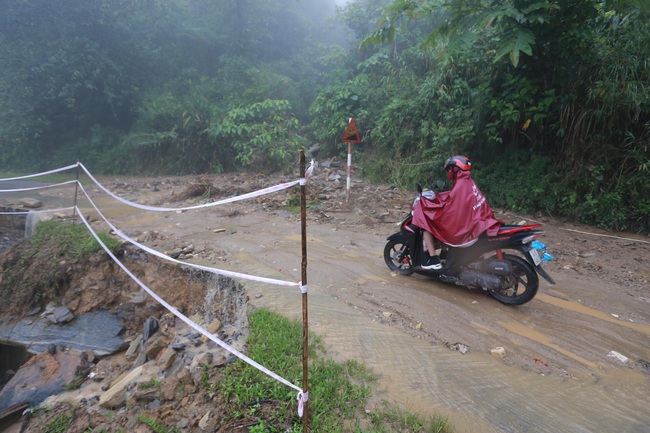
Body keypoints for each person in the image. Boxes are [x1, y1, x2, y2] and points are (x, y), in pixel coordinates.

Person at [412, 155, 503, 270]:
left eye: (450, 169)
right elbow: (454, 201)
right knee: (440, 224)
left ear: (456, 169)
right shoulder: (467, 182)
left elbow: (451, 209)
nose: (449, 172)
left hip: (467, 230)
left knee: (428, 225)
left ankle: (433, 260)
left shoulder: (460, 184)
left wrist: (428, 205)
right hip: (477, 223)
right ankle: (444, 253)